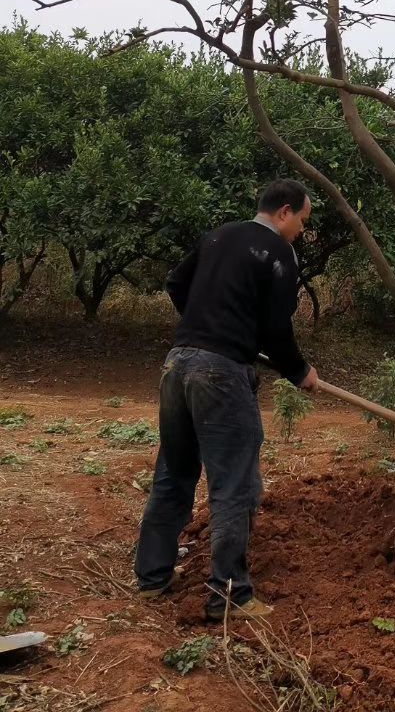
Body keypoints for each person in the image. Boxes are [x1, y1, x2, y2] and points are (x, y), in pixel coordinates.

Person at [134, 178, 319, 620]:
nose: (300, 233)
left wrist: (209, 324)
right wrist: (299, 371)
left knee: (173, 474)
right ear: (284, 213)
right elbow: (277, 327)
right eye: (301, 223)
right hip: (221, 374)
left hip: (177, 364)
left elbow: (177, 283)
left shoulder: (217, 236)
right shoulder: (279, 253)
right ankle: (230, 594)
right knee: (234, 484)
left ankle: (152, 580)